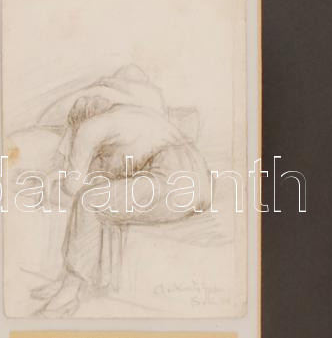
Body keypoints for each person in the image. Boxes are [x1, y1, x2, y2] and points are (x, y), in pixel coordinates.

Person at [32, 96, 211, 317]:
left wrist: (48, 184)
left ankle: (69, 290)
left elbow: (72, 186)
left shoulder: (90, 128)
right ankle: (88, 281)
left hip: (171, 184)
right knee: (106, 199)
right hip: (198, 187)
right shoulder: (130, 118)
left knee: (89, 201)